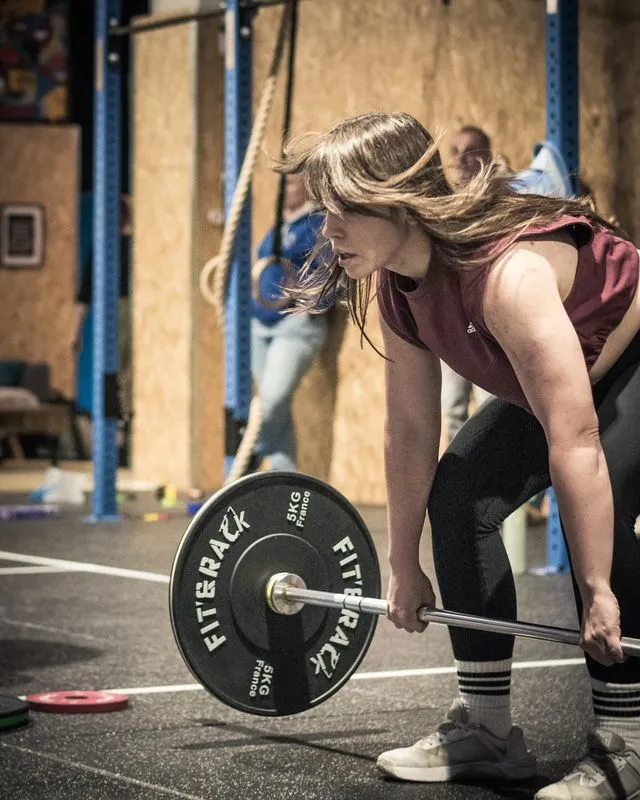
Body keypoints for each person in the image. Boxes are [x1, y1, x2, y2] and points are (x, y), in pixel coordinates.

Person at [284, 111, 640, 799]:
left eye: (343, 212)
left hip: (634, 356)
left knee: (600, 513)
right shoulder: (397, 287)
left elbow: (577, 440)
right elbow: (411, 431)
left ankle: (628, 744)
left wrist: (597, 591)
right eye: (323, 212)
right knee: (462, 498)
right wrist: (401, 562)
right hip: (573, 371)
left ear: (398, 199)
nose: (327, 232)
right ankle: (487, 731)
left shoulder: (506, 278)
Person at [249, 173, 330, 472]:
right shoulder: (278, 228)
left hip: (293, 327)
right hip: (260, 324)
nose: (287, 189)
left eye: (294, 182)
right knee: (277, 412)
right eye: (284, 183)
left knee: (269, 404)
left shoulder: (316, 224)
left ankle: (247, 456)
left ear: (308, 185)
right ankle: (284, 481)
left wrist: (312, 307)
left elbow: (332, 271)